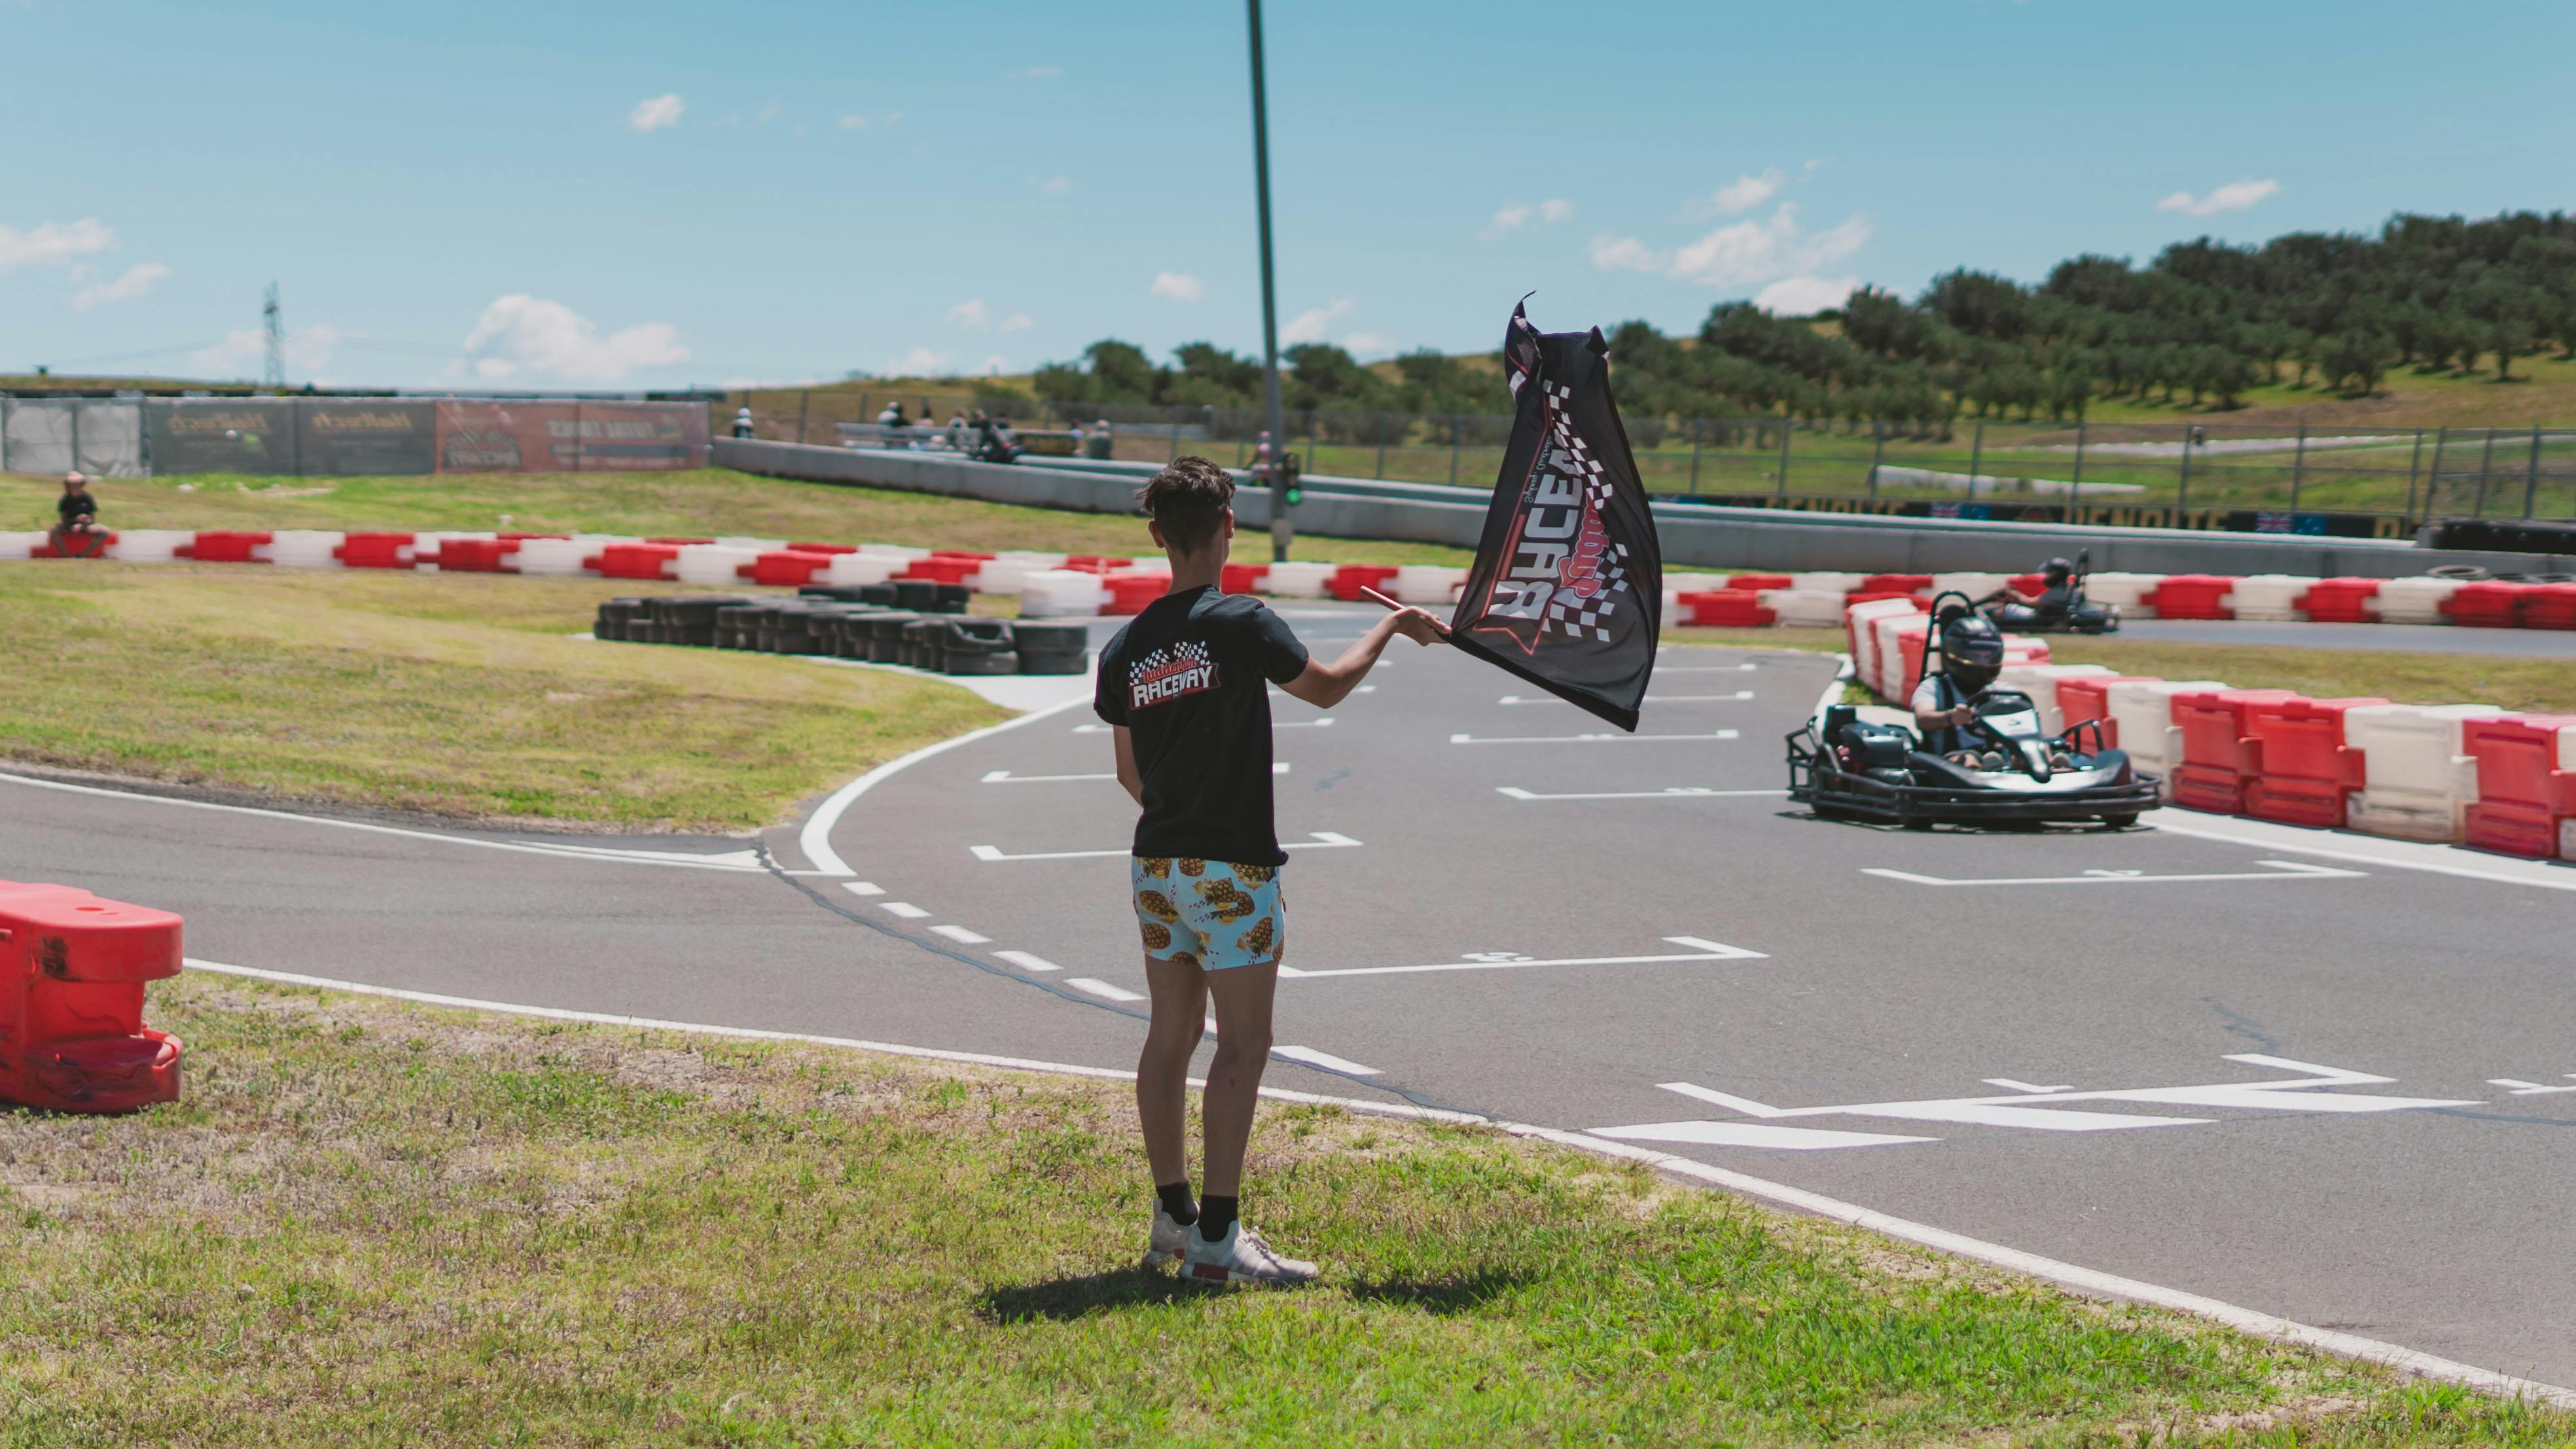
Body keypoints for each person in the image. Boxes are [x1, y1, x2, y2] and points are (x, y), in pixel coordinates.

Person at [1096, 456, 1444, 1284]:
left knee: (1170, 1035)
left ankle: (1173, 1216)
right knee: (1244, 1044)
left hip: (1156, 863)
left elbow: (1127, 773)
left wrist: (1179, 817)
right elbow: (1324, 688)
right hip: (1233, 866)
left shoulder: (1124, 646)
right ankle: (1218, 1239)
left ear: (1157, 536)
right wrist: (1392, 629)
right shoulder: (1242, 621)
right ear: (1229, 527)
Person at [1910, 609, 2007, 767]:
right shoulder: (1934, 687)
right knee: (1968, 759)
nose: (1983, 661)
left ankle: (2049, 768)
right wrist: (1950, 718)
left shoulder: (1999, 690)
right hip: (1951, 761)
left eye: (1988, 654)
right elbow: (1923, 718)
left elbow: (2019, 708)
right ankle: (1983, 770)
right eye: (1976, 655)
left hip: (1995, 754)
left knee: (2038, 747)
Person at [50, 472, 103, 557]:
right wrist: (75, 520)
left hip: (85, 525)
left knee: (104, 532)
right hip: (68, 525)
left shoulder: (87, 498)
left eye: (77, 485)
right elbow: (64, 519)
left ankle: (83, 555)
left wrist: (84, 523)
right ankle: (65, 556)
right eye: (72, 485)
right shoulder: (65, 499)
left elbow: (92, 518)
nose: (75, 487)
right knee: (54, 531)